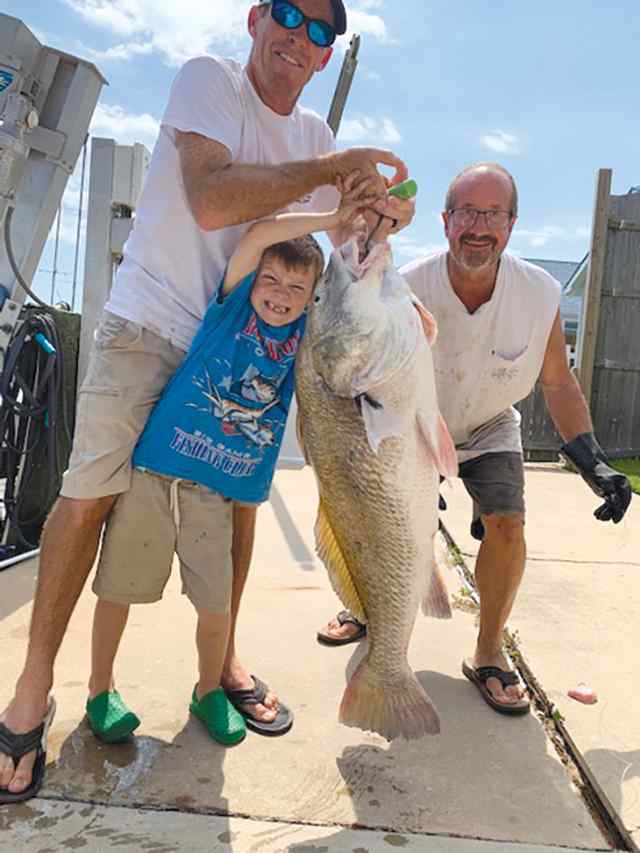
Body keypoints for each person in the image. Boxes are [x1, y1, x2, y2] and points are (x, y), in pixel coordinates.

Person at [0, 0, 415, 802]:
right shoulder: (208, 80)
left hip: (242, 346)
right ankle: (32, 684)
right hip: (151, 324)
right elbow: (213, 201)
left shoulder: (316, 140)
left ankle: (219, 665)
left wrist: (377, 223)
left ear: (330, 56)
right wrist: (335, 174)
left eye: (323, 30)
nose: (302, 36)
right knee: (87, 500)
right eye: (291, 14)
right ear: (257, 17)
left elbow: (341, 243)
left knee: (241, 502)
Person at [317, 163, 632, 716]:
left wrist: (592, 459)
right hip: (413, 424)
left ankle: (489, 650)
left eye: (492, 214)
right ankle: (367, 610)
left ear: (512, 224)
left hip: (488, 422)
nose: (478, 226)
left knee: (508, 525)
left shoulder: (539, 292)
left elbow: (557, 381)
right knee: (378, 521)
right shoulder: (403, 284)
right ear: (445, 222)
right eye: (466, 212)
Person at [85, 173, 375, 746]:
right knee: (119, 587)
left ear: (312, 295)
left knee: (217, 605)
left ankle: (207, 690)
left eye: (297, 287)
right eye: (271, 279)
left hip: (216, 494)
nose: (280, 294)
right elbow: (262, 235)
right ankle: (99, 690)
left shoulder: (307, 338)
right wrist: (328, 221)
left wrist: (364, 235)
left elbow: (356, 316)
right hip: (156, 473)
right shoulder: (229, 310)